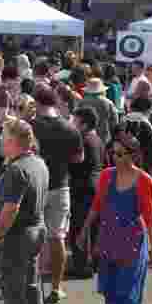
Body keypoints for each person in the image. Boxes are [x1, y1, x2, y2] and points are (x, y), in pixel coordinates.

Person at [76, 129, 152, 304]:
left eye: (121, 154)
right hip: (108, 239)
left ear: (134, 155)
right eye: (113, 153)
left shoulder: (144, 180)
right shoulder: (106, 176)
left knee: (129, 292)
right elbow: (97, 205)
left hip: (133, 242)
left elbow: (150, 218)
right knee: (112, 292)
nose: (115, 158)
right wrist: (84, 231)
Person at [0, 118, 49, 304]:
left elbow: (11, 208)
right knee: (31, 285)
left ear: (13, 141)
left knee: (14, 291)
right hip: (37, 229)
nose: (0, 142)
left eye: (3, 138)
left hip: (18, 234)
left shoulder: (16, 170)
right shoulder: (38, 163)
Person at [30, 85, 83, 304]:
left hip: (35, 187)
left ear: (37, 103)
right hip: (60, 186)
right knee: (57, 237)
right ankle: (56, 287)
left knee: (31, 236)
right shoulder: (70, 128)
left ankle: (31, 284)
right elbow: (78, 158)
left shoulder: (30, 126)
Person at [70, 107, 105, 278]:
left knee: (79, 226)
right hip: (96, 185)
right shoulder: (97, 139)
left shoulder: (81, 139)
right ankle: (97, 262)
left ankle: (81, 266)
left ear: (83, 124)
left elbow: (74, 162)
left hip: (82, 187)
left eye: (75, 120)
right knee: (95, 226)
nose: (72, 123)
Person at [76, 78, 119, 147]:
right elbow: (115, 120)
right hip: (104, 136)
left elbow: (76, 119)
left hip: (86, 136)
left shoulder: (82, 102)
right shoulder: (108, 102)